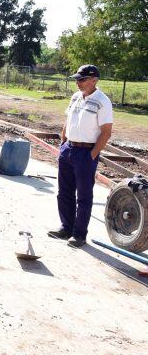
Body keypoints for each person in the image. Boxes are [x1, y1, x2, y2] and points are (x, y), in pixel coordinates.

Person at [48, 65, 113, 248]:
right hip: (68, 149)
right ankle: (66, 227)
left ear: (94, 80)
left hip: (86, 152)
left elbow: (106, 132)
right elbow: (67, 121)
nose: (78, 83)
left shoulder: (102, 101)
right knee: (64, 192)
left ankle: (79, 234)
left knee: (83, 196)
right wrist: (63, 145)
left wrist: (92, 155)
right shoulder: (76, 97)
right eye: (77, 79)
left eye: (82, 79)